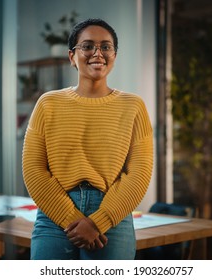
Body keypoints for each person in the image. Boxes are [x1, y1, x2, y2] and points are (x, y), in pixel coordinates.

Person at [22, 18, 153, 260]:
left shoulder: (133, 106)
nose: (98, 53)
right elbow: (34, 169)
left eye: (106, 46)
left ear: (114, 55)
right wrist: (72, 220)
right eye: (88, 46)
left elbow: (139, 172)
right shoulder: (48, 103)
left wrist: (98, 222)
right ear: (72, 56)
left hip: (113, 212)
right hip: (54, 213)